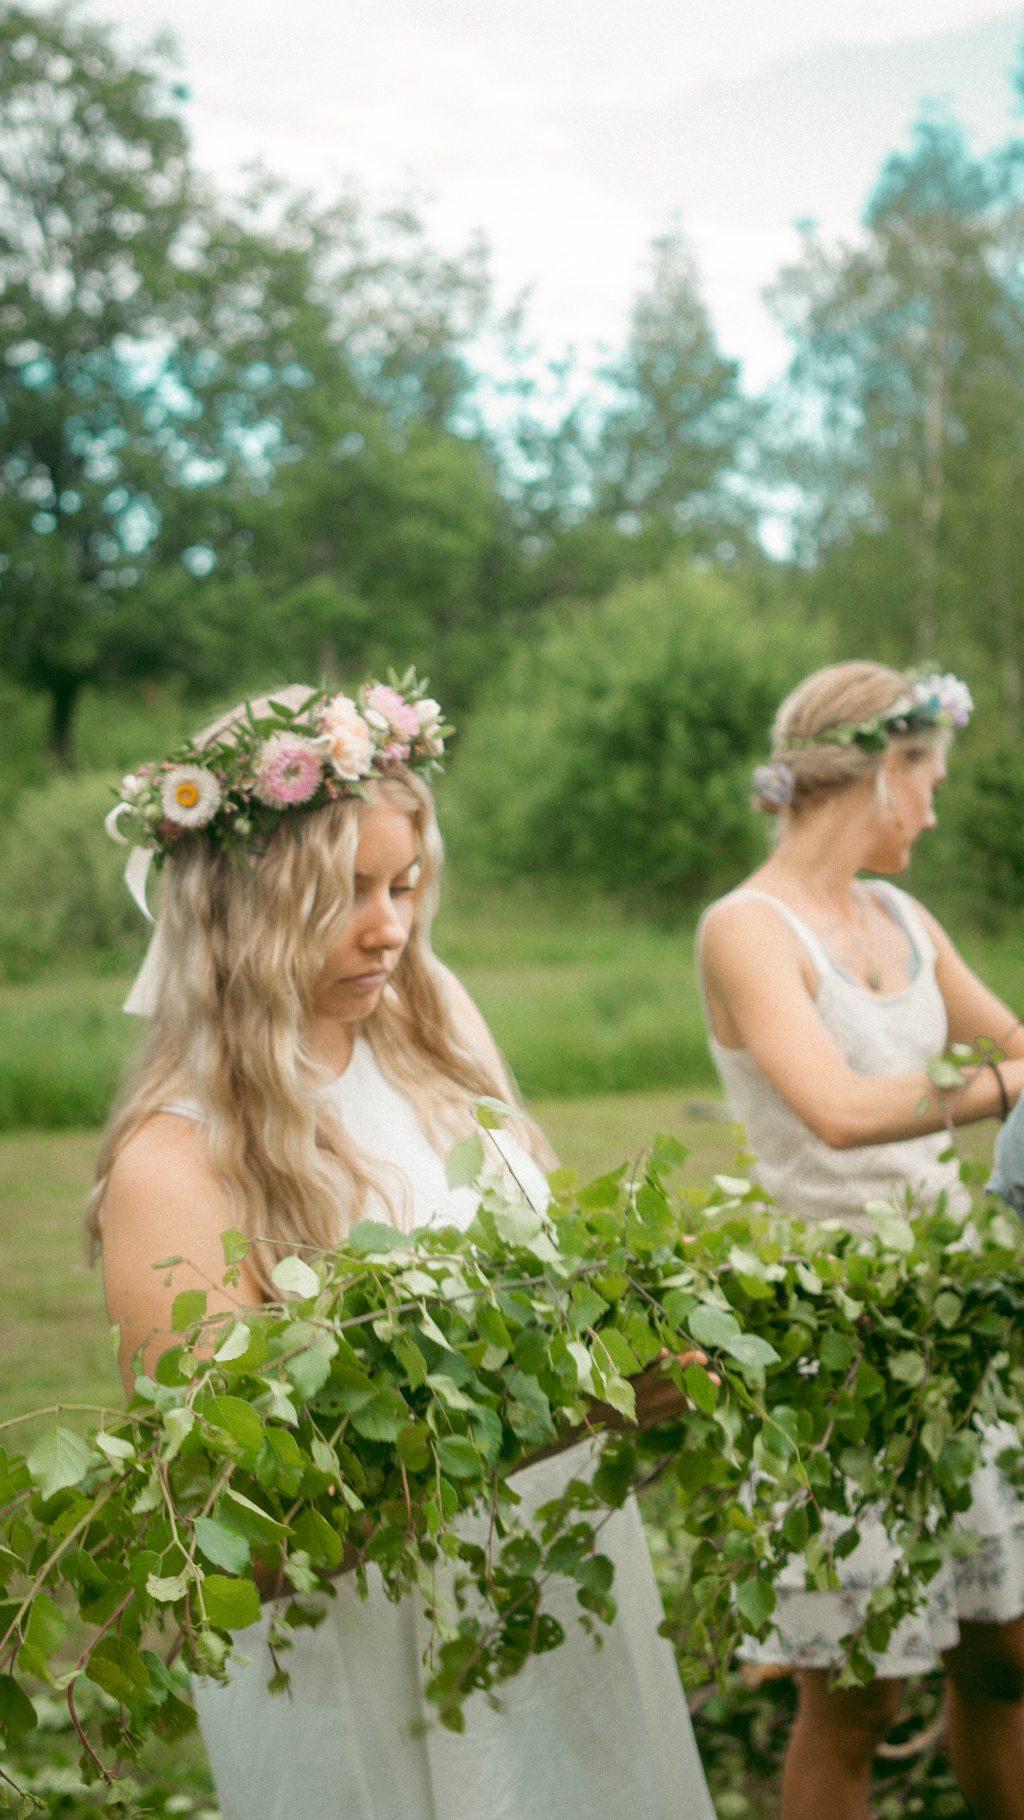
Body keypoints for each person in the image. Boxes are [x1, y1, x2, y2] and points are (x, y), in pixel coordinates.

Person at [89, 677, 717, 1820]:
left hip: (546, 1602)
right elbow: (235, 1543)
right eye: (345, 893)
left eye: (406, 883)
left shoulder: (435, 1036)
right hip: (370, 1671)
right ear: (241, 905)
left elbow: (552, 1272)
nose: (392, 925)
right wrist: (573, 1414)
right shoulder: (173, 1166)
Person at [697, 660, 1024, 1820]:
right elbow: (836, 1110)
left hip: (958, 1321)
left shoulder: (901, 914)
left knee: (1005, 1659)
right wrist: (1003, 1087)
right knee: (858, 1700)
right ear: (884, 770)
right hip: (832, 1342)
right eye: (927, 779)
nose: (932, 809)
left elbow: (1015, 1037)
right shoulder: (745, 927)